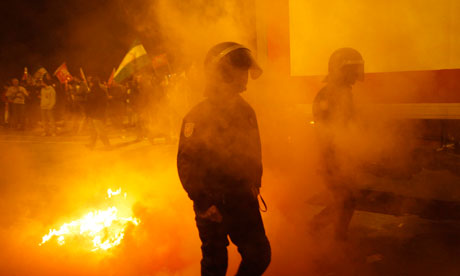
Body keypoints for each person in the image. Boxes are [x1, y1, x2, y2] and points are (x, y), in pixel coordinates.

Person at [177, 42, 271, 276]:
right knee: (215, 265)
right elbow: (186, 164)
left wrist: (254, 183)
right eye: (241, 70)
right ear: (224, 73)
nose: (246, 76)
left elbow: (253, 150)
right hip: (213, 204)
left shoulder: (246, 111)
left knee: (259, 255)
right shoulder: (197, 117)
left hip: (242, 199)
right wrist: (204, 202)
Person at [310, 48, 365, 241]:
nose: (355, 75)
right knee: (345, 200)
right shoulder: (328, 95)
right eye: (351, 70)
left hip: (340, 157)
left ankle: (333, 236)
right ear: (339, 71)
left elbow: (347, 125)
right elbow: (325, 131)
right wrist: (334, 160)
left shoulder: (342, 93)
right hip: (332, 158)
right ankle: (316, 230)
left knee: (346, 200)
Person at [85, 77, 110, 149]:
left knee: (100, 131)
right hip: (96, 114)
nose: (90, 84)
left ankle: (107, 145)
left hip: (96, 115)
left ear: (92, 83)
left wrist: (89, 113)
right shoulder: (100, 91)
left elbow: (90, 104)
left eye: (90, 83)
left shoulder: (93, 92)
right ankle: (92, 144)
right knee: (93, 131)